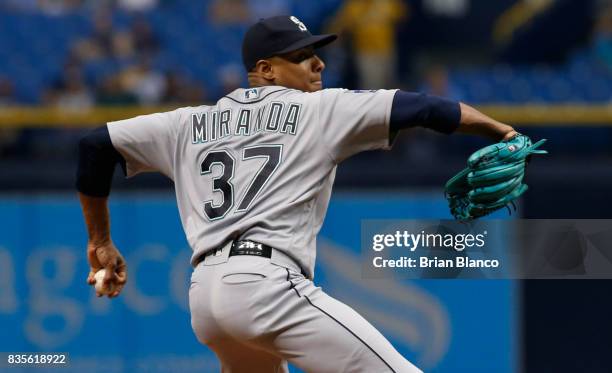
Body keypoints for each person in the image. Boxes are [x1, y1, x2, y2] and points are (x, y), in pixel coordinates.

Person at [76, 15, 517, 373]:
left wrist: (100, 241)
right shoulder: (318, 110)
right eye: (302, 56)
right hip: (266, 288)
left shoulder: (187, 123)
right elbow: (424, 107)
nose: (318, 64)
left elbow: (96, 144)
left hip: (206, 299)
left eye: (316, 55)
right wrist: (501, 130)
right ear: (264, 70)